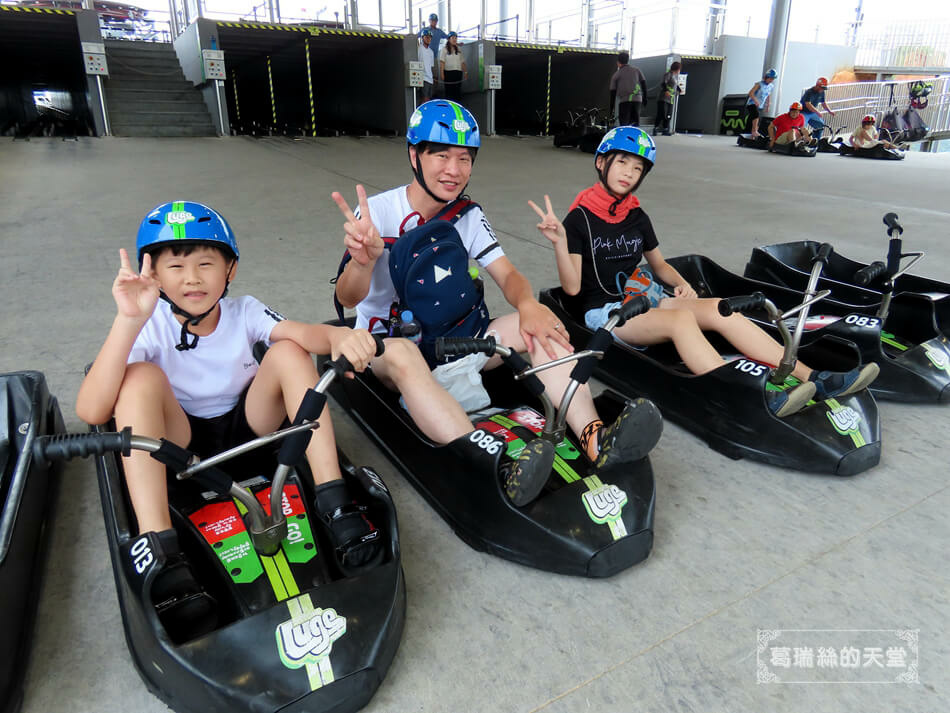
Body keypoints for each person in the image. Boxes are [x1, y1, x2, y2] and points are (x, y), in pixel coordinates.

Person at [331, 101, 663, 506]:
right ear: (414, 155)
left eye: (464, 158)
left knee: (541, 328)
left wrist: (529, 305)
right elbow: (348, 298)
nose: (453, 170)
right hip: (389, 349)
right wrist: (363, 262)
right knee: (403, 355)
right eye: (441, 155)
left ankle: (594, 436)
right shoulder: (377, 213)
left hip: (457, 338)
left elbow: (507, 274)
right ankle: (494, 468)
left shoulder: (467, 215)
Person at [76, 201, 384, 636]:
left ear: (230, 270)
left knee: (289, 352)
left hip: (248, 427)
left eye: (206, 263)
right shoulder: (150, 325)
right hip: (176, 443)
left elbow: (303, 333)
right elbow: (91, 410)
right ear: (154, 276)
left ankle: (334, 500)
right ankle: (160, 548)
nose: (192, 277)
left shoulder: (245, 311)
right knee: (137, 378)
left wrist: (339, 335)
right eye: (176, 266)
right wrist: (128, 321)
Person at [530, 126, 879, 418]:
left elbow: (660, 265)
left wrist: (684, 286)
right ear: (602, 162)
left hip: (643, 298)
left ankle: (813, 377)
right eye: (622, 162)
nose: (629, 173)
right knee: (682, 322)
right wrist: (560, 241)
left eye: (637, 168)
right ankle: (740, 393)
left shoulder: (637, 216)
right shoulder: (579, 220)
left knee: (718, 308)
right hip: (606, 312)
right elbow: (572, 289)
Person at [609, 50, 648, 127]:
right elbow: (643, 83)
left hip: (625, 101)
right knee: (635, 124)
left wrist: (611, 108)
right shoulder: (637, 70)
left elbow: (612, 92)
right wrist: (645, 98)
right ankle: (635, 137)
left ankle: (625, 138)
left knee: (624, 124)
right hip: (637, 100)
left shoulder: (616, 74)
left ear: (618, 62)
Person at [800, 77, 835, 143]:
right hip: (804, 112)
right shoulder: (809, 92)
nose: (822, 90)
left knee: (820, 124)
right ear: (817, 85)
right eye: (822, 88)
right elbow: (808, 104)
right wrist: (817, 112)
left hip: (812, 113)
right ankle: (801, 141)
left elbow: (823, 103)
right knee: (802, 126)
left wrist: (830, 111)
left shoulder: (822, 92)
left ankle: (816, 140)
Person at [745, 68, 777, 138]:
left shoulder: (771, 86)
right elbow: (750, 93)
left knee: (753, 118)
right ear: (766, 77)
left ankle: (748, 132)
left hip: (760, 105)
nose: (771, 80)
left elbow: (768, 95)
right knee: (756, 115)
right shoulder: (759, 84)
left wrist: (768, 104)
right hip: (752, 103)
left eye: (772, 79)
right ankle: (754, 131)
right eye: (770, 78)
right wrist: (755, 100)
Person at [654, 61, 682, 137]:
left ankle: (665, 129)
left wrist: (679, 90)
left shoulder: (674, 77)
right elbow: (663, 83)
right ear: (677, 69)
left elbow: (675, 86)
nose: (679, 71)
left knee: (669, 114)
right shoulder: (668, 74)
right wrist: (666, 90)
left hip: (671, 99)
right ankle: (655, 128)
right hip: (663, 98)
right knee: (661, 113)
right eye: (679, 69)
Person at [439, 31, 467, 103]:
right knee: (449, 92)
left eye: (455, 38)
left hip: (458, 73)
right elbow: (442, 62)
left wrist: (466, 72)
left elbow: (462, 62)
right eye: (452, 38)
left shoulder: (459, 49)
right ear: (448, 39)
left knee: (457, 92)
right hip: (448, 73)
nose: (454, 39)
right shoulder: (444, 49)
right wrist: (442, 73)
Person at [418, 29, 435, 104]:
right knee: (424, 99)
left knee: (429, 100)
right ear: (422, 38)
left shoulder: (431, 52)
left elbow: (431, 66)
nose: (428, 39)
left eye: (430, 37)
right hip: (423, 78)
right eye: (426, 37)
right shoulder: (419, 49)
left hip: (430, 79)